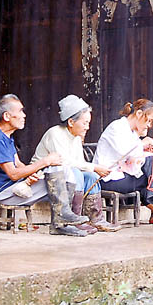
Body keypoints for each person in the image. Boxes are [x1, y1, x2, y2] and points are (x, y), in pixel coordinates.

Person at [0, 94, 89, 237]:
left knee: (64, 169)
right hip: (5, 192)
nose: (24, 115)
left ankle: (62, 220)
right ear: (7, 116)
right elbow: (13, 174)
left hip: (18, 186)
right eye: (20, 111)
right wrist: (45, 161)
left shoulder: (5, 135)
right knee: (57, 167)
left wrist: (30, 175)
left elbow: (18, 164)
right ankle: (61, 221)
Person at [93, 99, 153, 231]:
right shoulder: (117, 127)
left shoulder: (132, 133)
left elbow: (133, 159)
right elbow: (125, 152)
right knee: (151, 170)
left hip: (122, 176)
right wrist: (143, 144)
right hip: (108, 178)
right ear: (138, 114)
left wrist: (144, 151)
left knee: (151, 171)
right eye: (148, 120)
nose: (149, 125)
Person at [32, 94, 120, 233]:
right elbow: (65, 163)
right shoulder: (55, 133)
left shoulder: (76, 138)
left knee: (90, 176)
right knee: (77, 173)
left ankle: (95, 219)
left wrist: (94, 170)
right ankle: (74, 218)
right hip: (45, 179)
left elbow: (80, 163)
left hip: (67, 178)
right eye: (85, 123)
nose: (87, 127)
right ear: (71, 122)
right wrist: (95, 167)